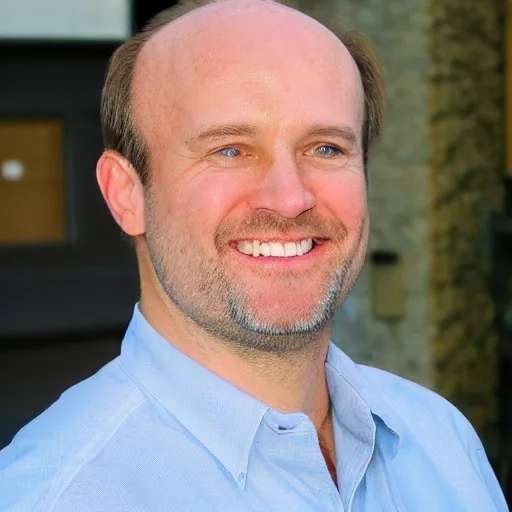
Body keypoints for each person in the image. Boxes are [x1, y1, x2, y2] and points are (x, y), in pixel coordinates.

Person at [0, 0, 507, 510]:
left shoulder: (440, 441)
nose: (290, 199)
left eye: (326, 148)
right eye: (230, 150)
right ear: (126, 195)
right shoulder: (56, 496)